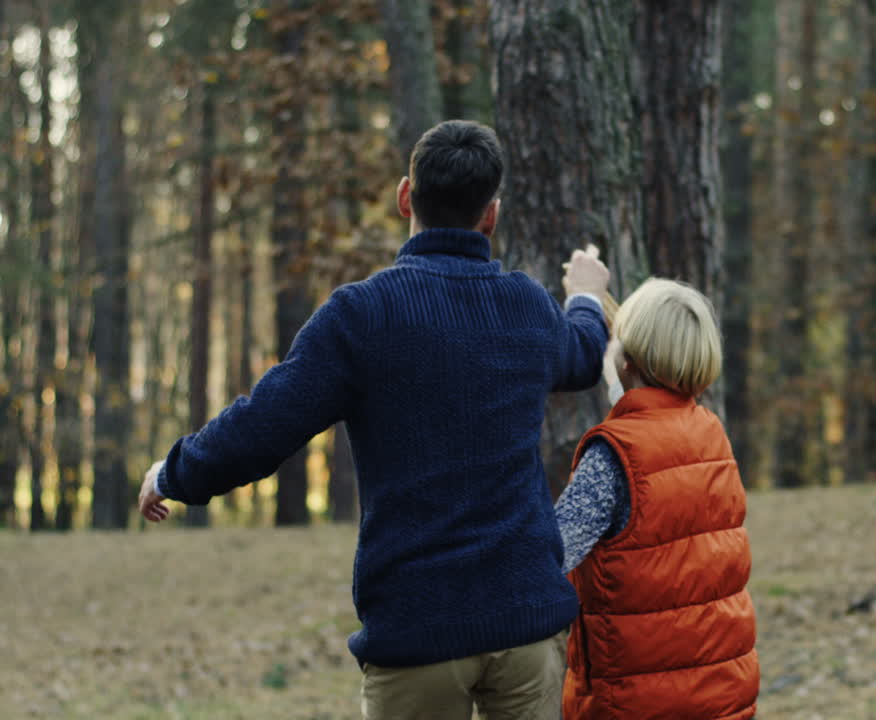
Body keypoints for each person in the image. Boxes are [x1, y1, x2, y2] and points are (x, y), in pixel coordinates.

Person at [137, 120, 611, 720]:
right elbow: (583, 353)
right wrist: (588, 296)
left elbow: (262, 427)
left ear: (405, 197)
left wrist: (173, 473)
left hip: (418, 632)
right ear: (490, 215)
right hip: (526, 628)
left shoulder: (361, 316)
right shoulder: (526, 305)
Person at [554, 278, 760, 720]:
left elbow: (549, 555)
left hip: (633, 702)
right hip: (720, 695)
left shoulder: (613, 455)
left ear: (626, 361)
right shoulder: (710, 432)